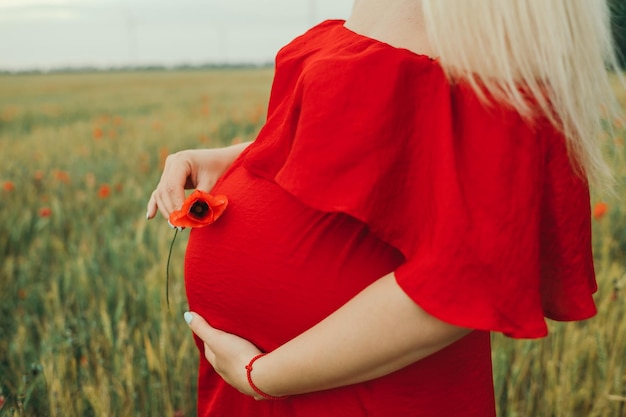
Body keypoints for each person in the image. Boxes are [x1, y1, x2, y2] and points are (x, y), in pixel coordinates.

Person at [146, 0, 623, 415]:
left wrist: (261, 376)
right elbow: (361, 141)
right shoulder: (382, 33)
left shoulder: (496, 74)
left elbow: (465, 283)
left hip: (361, 397)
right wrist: (231, 158)